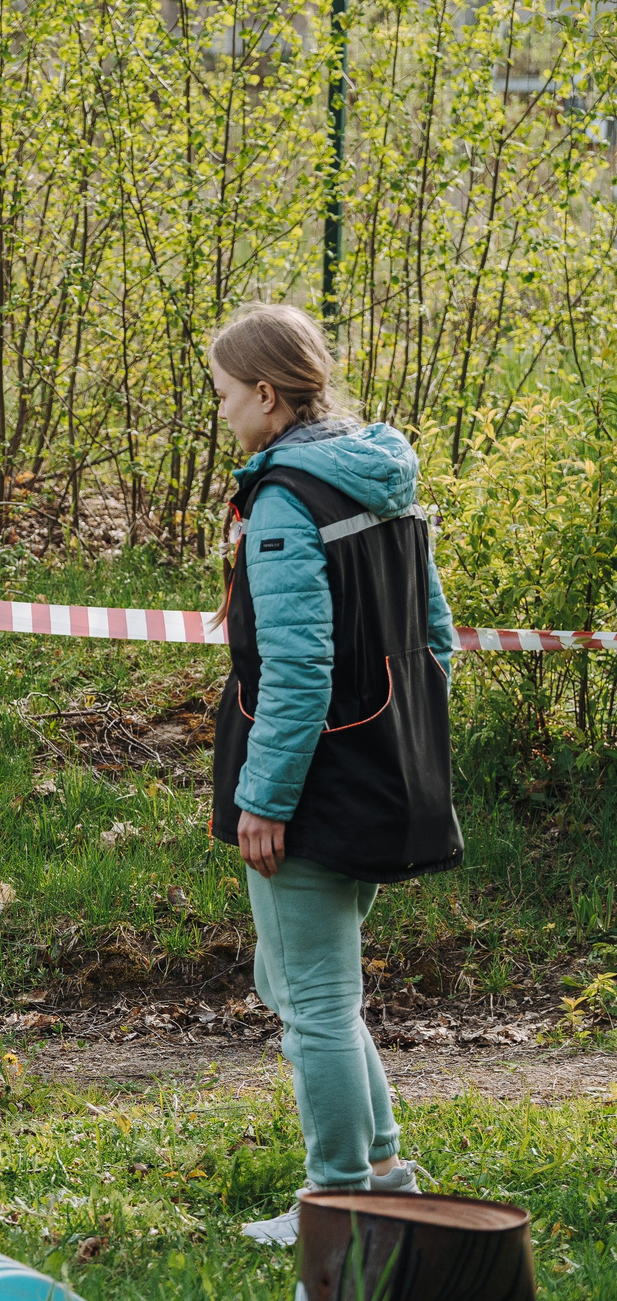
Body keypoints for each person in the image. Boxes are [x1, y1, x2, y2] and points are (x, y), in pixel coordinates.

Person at [204, 303, 460, 1249]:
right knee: (319, 989)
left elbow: (296, 666)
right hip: (379, 768)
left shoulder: (285, 499)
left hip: (308, 780)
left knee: (310, 999)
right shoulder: (381, 476)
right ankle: (385, 1168)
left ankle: (341, 1203)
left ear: (269, 396)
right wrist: (411, 748)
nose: (224, 413)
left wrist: (263, 799)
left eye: (228, 396)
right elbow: (433, 636)